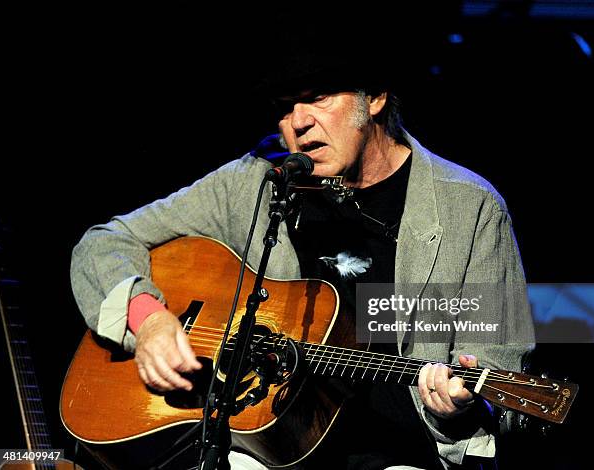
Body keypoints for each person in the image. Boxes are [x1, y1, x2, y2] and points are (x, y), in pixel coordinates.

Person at [70, 24, 534, 470]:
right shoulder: (257, 181)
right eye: (285, 105)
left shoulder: (468, 208)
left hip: (403, 454)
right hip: (265, 451)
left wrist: (456, 405)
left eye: (317, 98)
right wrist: (147, 320)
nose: (298, 122)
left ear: (373, 98)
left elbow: (497, 377)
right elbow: (105, 243)